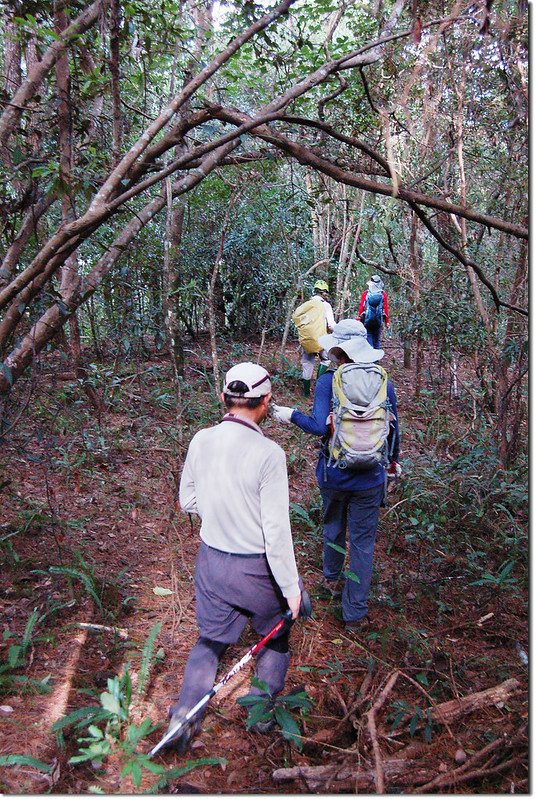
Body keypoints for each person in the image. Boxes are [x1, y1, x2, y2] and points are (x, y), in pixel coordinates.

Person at [165, 362, 302, 752]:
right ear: (266, 403)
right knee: (277, 636)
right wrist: (291, 590)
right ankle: (261, 715)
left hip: (211, 563)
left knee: (209, 641)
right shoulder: (269, 454)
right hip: (255, 570)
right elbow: (276, 532)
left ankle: (183, 717)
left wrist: (221, 509)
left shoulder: (201, 440)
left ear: (223, 398)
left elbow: (188, 500)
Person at [271, 320, 400, 632]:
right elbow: (394, 427)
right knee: (363, 543)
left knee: (333, 525)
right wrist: (393, 462)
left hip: (334, 473)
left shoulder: (329, 380)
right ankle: (354, 613)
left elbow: (318, 426)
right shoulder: (384, 380)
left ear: (338, 349)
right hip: (371, 476)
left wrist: (290, 414)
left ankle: (331, 578)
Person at [297, 278, 335, 397]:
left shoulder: (307, 305)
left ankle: (306, 393)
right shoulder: (326, 305)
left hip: (307, 339)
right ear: (325, 292)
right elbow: (331, 325)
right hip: (321, 340)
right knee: (326, 359)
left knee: (307, 363)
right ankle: (318, 386)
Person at [358, 274, 390, 349]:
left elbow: (362, 307)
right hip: (378, 320)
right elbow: (385, 309)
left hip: (367, 320)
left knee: (368, 337)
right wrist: (387, 322)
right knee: (377, 339)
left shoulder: (365, 294)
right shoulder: (383, 294)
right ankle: (376, 359)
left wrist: (360, 318)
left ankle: (371, 358)